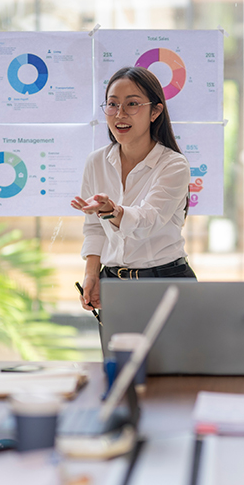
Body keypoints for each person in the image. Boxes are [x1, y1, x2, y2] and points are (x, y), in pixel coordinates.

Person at [71, 66, 195, 312]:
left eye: (132, 104)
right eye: (112, 104)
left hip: (166, 283)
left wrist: (113, 212)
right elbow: (95, 227)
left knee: (171, 353)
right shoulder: (96, 162)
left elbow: (148, 220)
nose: (120, 114)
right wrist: (92, 275)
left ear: (155, 111)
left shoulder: (173, 165)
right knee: (118, 353)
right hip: (113, 284)